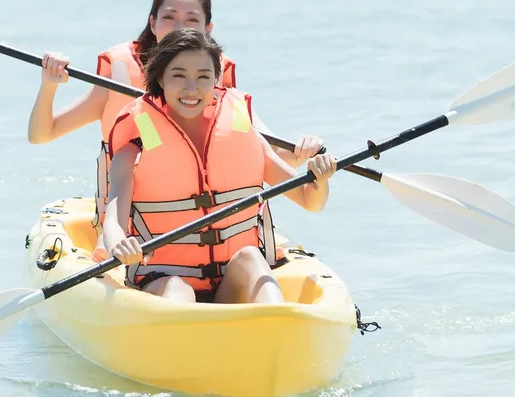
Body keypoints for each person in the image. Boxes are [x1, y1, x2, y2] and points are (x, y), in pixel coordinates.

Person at [27, 0, 323, 231]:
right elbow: (43, 134)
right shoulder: (119, 75)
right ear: (152, 22)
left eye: (192, 20)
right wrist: (49, 84)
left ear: (208, 28)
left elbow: (264, 156)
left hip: (213, 225)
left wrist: (303, 153)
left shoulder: (217, 83)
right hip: (134, 230)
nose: (179, 27)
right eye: (169, 17)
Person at [102, 29, 338, 304]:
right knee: (178, 290)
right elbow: (113, 222)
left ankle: (274, 324)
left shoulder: (241, 133)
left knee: (251, 257)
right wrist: (119, 244)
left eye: (203, 77)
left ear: (216, 79)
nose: (192, 88)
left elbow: (310, 200)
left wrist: (321, 179)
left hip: (231, 279)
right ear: (160, 78)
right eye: (178, 75)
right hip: (163, 278)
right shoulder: (137, 143)